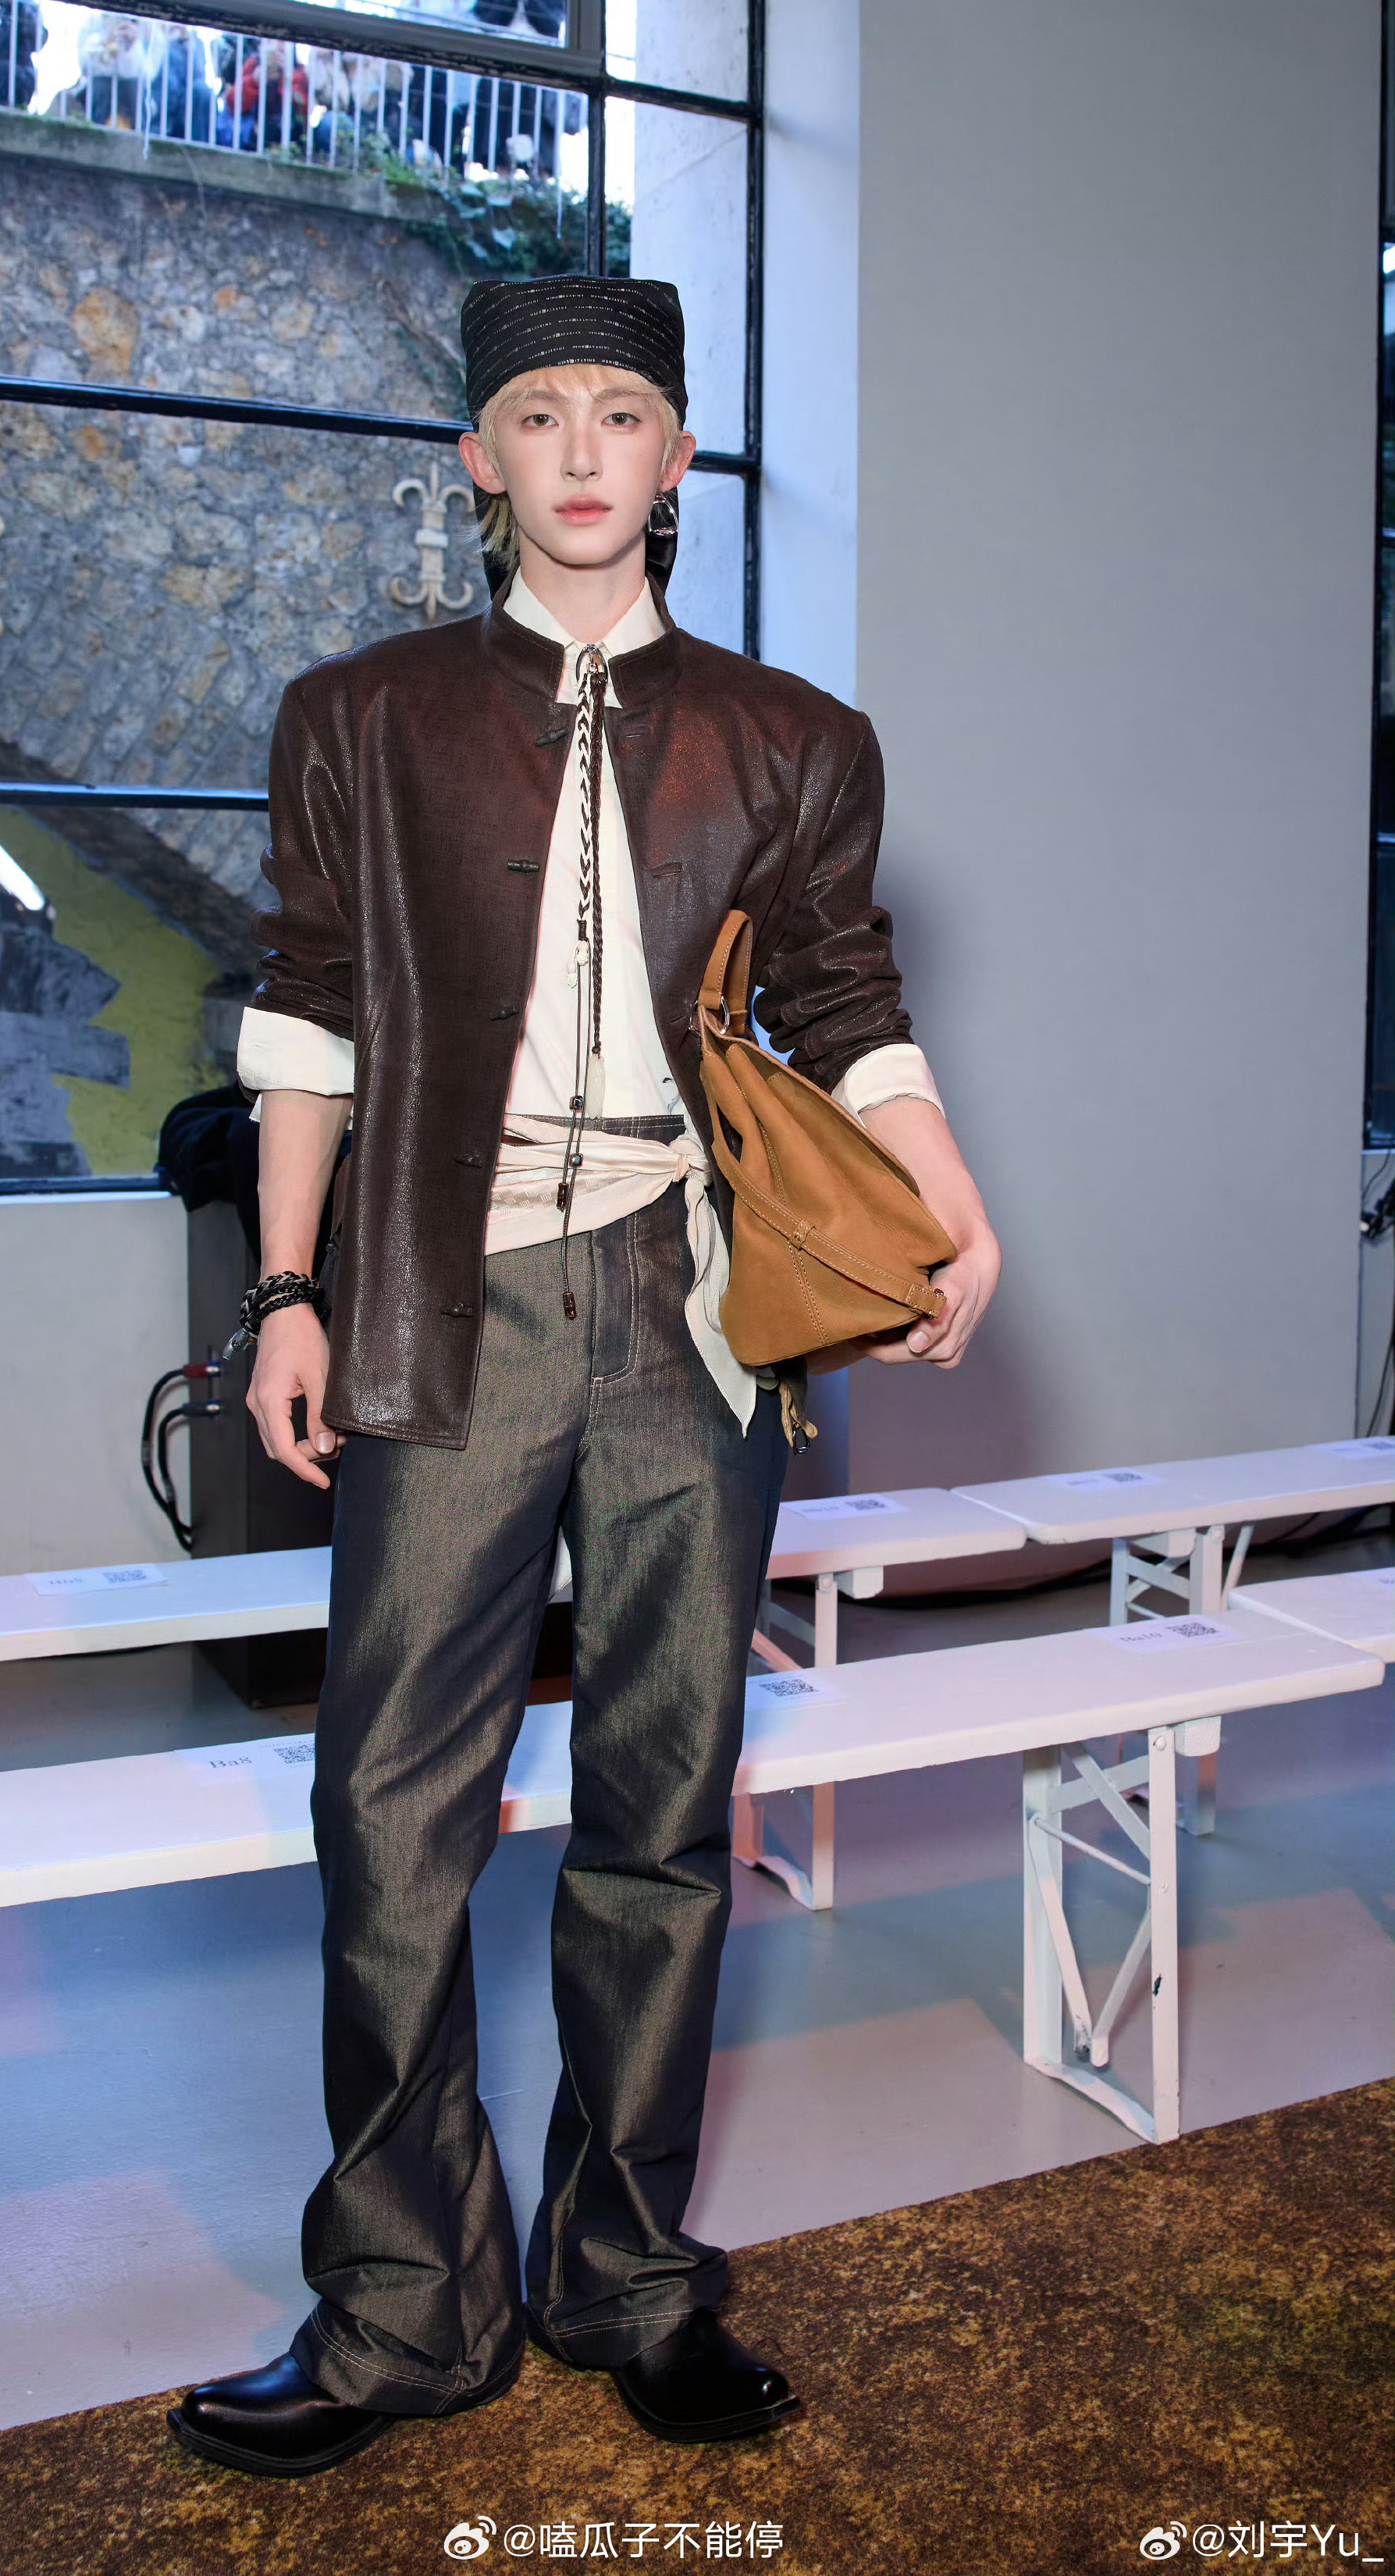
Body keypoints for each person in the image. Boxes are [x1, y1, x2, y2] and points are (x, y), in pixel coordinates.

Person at [169, 274, 1000, 2479]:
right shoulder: (358, 714)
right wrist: (285, 1289)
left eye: (619, 412)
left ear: (676, 457)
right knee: (387, 1809)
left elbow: (847, 999)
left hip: (693, 1306)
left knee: (664, 1804)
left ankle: (625, 2273)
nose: (578, 451)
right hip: (443, 1296)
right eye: (536, 414)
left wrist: (948, 1190)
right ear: (479, 456)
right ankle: (400, 2305)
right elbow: (309, 1012)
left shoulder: (794, 738)